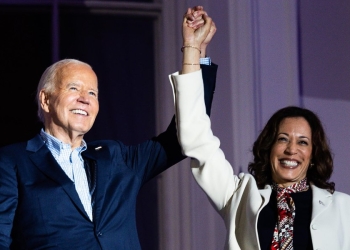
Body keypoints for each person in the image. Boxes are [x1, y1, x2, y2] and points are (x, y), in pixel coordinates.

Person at [0, 7, 217, 250]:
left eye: (92, 93)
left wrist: (194, 50)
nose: (85, 98)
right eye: (74, 88)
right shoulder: (12, 162)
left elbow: (185, 134)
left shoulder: (115, 158)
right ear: (46, 100)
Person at [170, 8, 350, 250]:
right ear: (269, 148)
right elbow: (195, 136)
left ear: (314, 155)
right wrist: (194, 49)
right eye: (283, 139)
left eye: (303, 142)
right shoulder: (241, 198)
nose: (291, 150)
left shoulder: (342, 208)